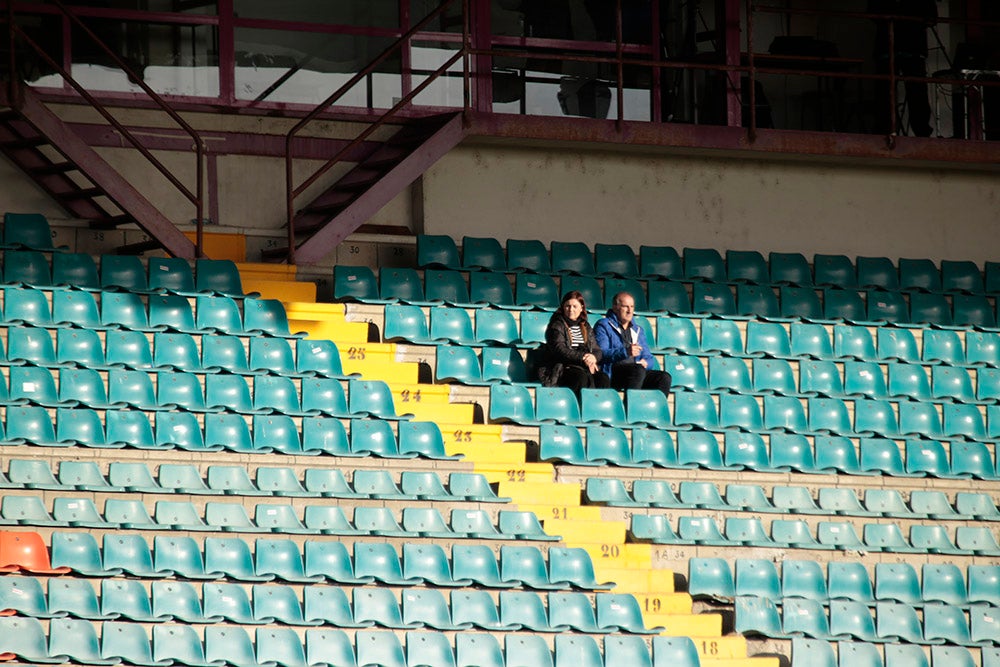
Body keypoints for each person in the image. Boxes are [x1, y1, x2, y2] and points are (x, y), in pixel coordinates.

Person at [870, 0, 937, 137]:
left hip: (905, 47)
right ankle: (887, 130)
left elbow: (931, 18)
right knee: (889, 90)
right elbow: (873, 13)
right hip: (899, 46)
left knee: (913, 90)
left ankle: (918, 130)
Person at [594, 291, 672, 396]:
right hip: (613, 372)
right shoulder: (603, 325)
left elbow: (649, 358)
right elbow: (601, 354)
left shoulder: (638, 330)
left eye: (632, 306)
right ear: (615, 307)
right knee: (637, 370)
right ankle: (631, 409)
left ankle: (655, 411)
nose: (630, 310)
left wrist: (645, 363)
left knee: (664, 377)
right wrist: (625, 352)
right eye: (625, 306)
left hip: (636, 371)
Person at [537, 290, 611, 395]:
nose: (571, 309)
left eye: (575, 306)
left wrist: (593, 357)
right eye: (568, 306)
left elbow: (596, 350)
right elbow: (560, 350)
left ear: (581, 308)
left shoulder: (585, 326)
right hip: (562, 367)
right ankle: (576, 408)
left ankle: (597, 408)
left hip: (583, 366)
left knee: (603, 378)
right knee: (580, 377)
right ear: (563, 307)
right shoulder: (556, 325)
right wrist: (583, 357)